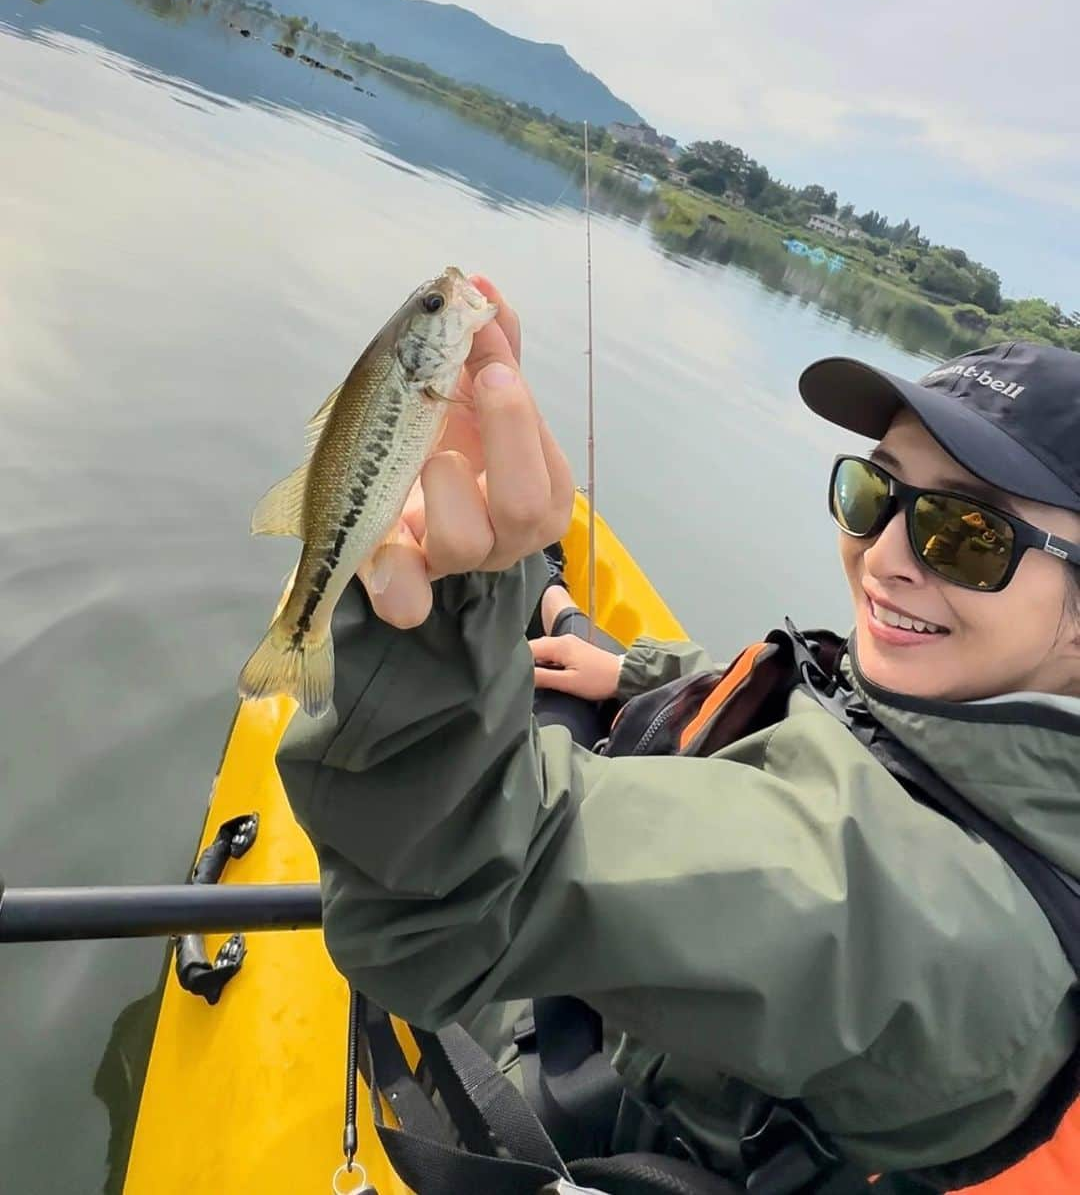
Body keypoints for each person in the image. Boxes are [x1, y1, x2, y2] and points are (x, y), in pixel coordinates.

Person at [277, 275, 1080, 1193]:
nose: (888, 556)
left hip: (613, 1126)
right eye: (875, 492)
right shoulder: (993, 725)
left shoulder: (913, 921)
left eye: (970, 533)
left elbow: (453, 905)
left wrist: (450, 617)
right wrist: (636, 672)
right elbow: (853, 710)